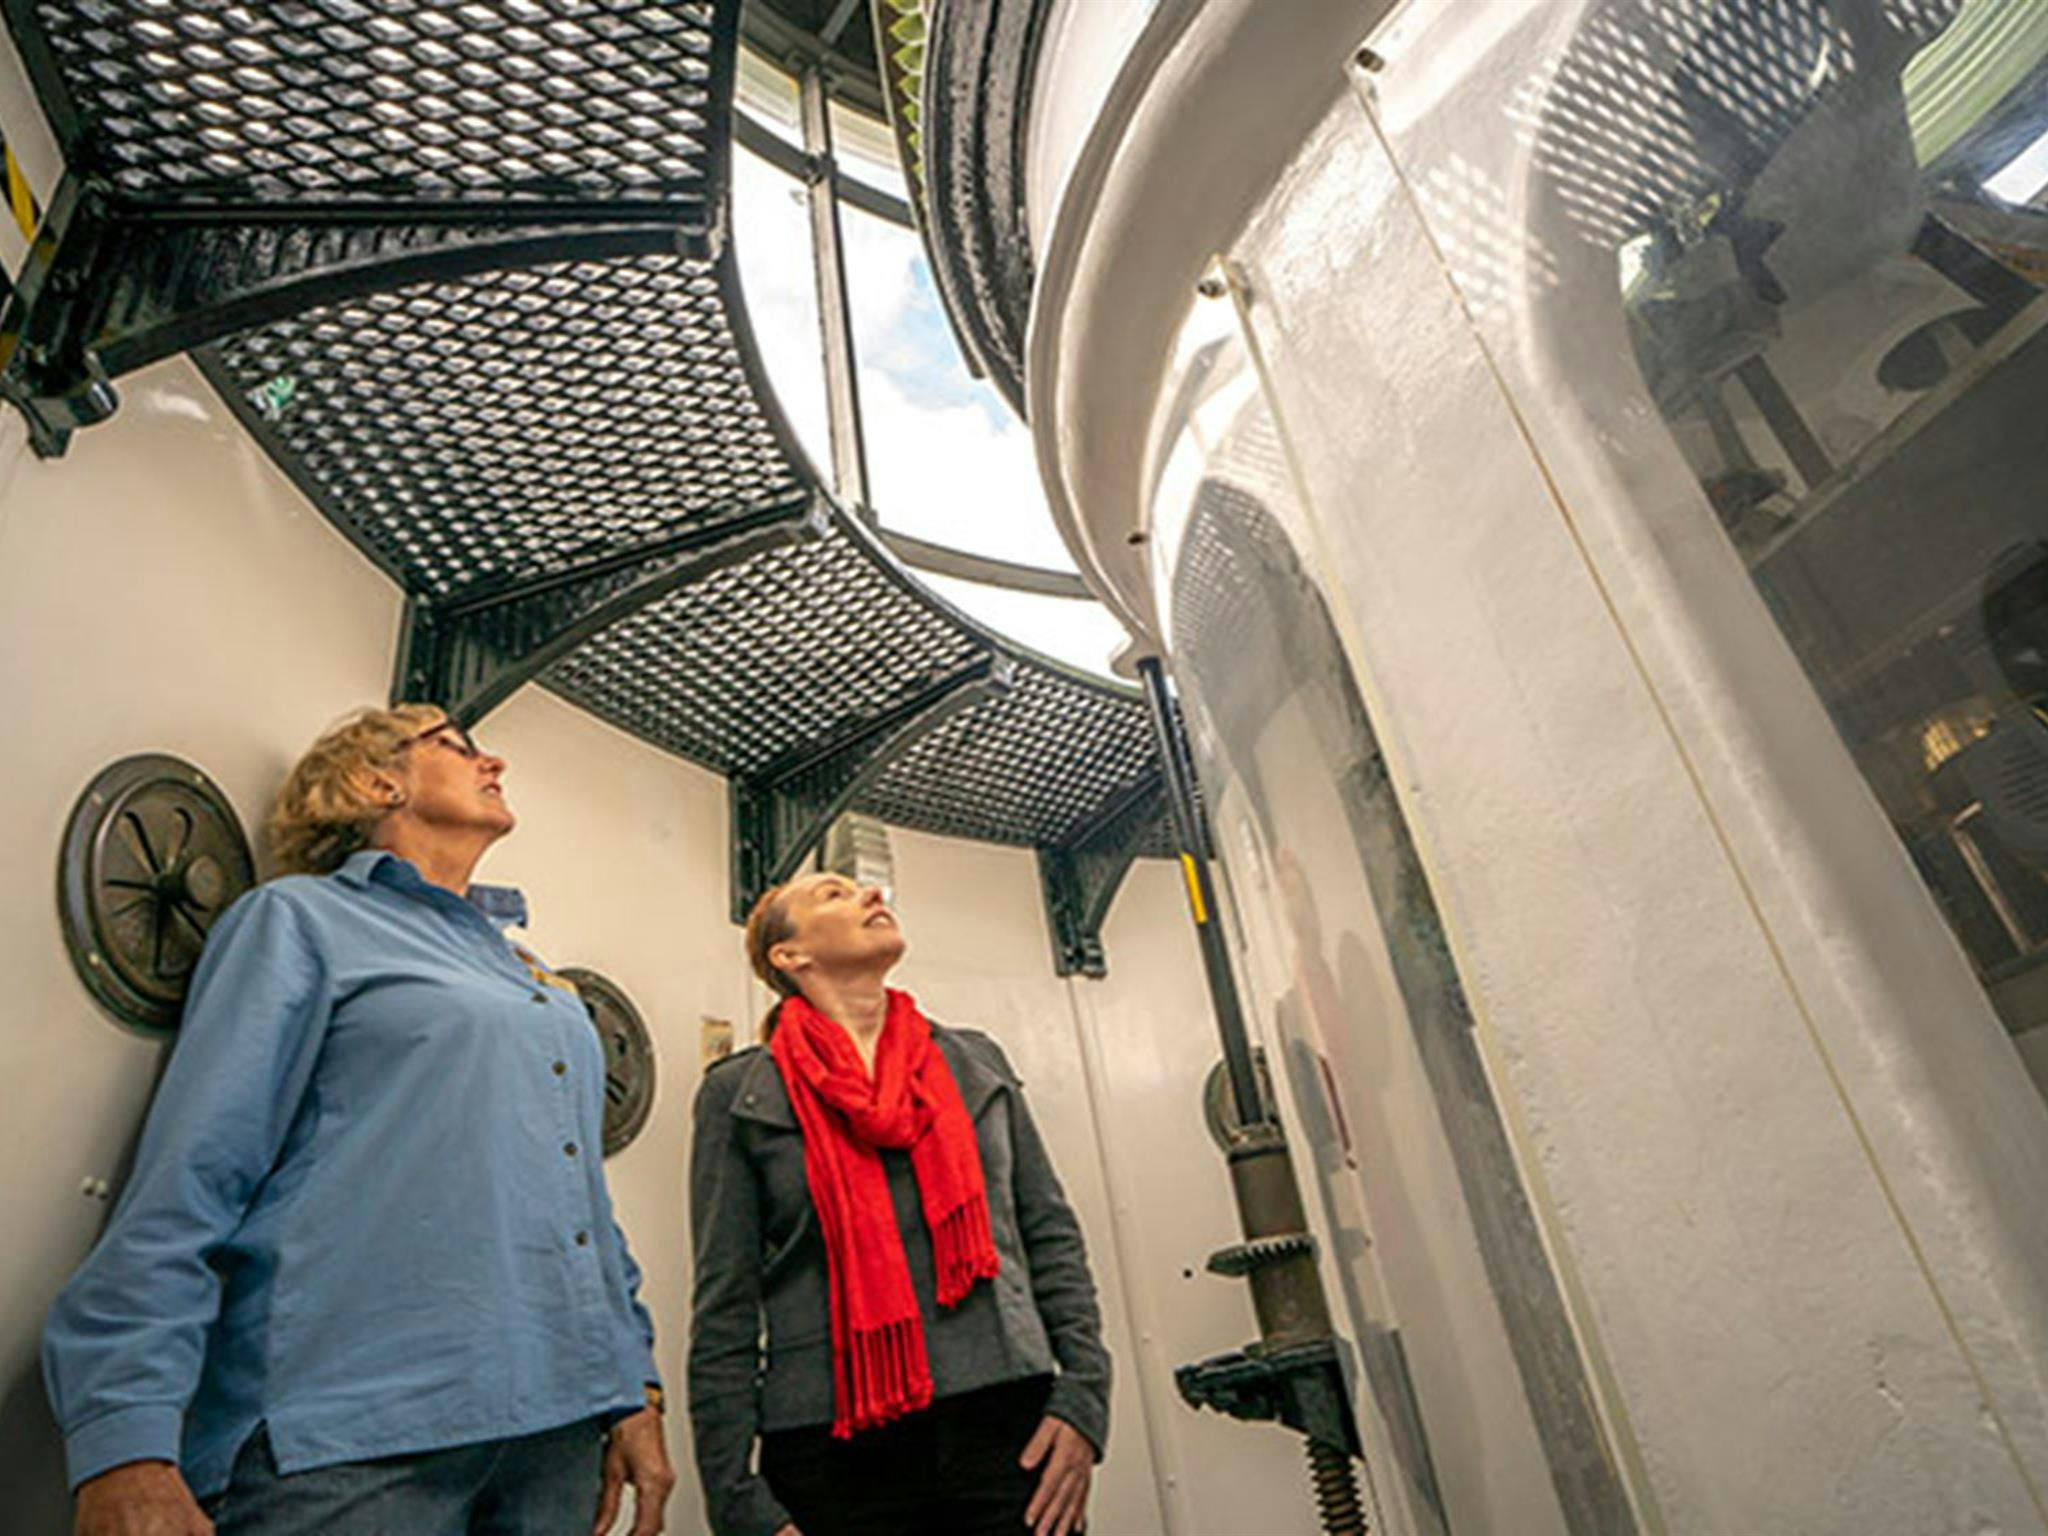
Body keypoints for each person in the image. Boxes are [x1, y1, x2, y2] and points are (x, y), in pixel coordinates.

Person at [43, 704, 676, 1536]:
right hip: (352, 1437)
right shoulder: (300, 921)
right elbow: (193, 1173)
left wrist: (633, 1388)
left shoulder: (530, 975)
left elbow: (580, 1201)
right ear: (379, 782)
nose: (496, 765)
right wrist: (123, 1437)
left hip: (555, 1435)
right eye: (457, 747)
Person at [688, 871, 1109, 1536]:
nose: (869, 896)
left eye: (865, 889)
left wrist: (1084, 1401)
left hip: (1005, 1432)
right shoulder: (743, 1093)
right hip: (830, 1454)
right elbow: (725, 1305)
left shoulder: (973, 1061)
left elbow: (1050, 1236)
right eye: (833, 894)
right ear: (789, 956)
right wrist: (738, 1502)